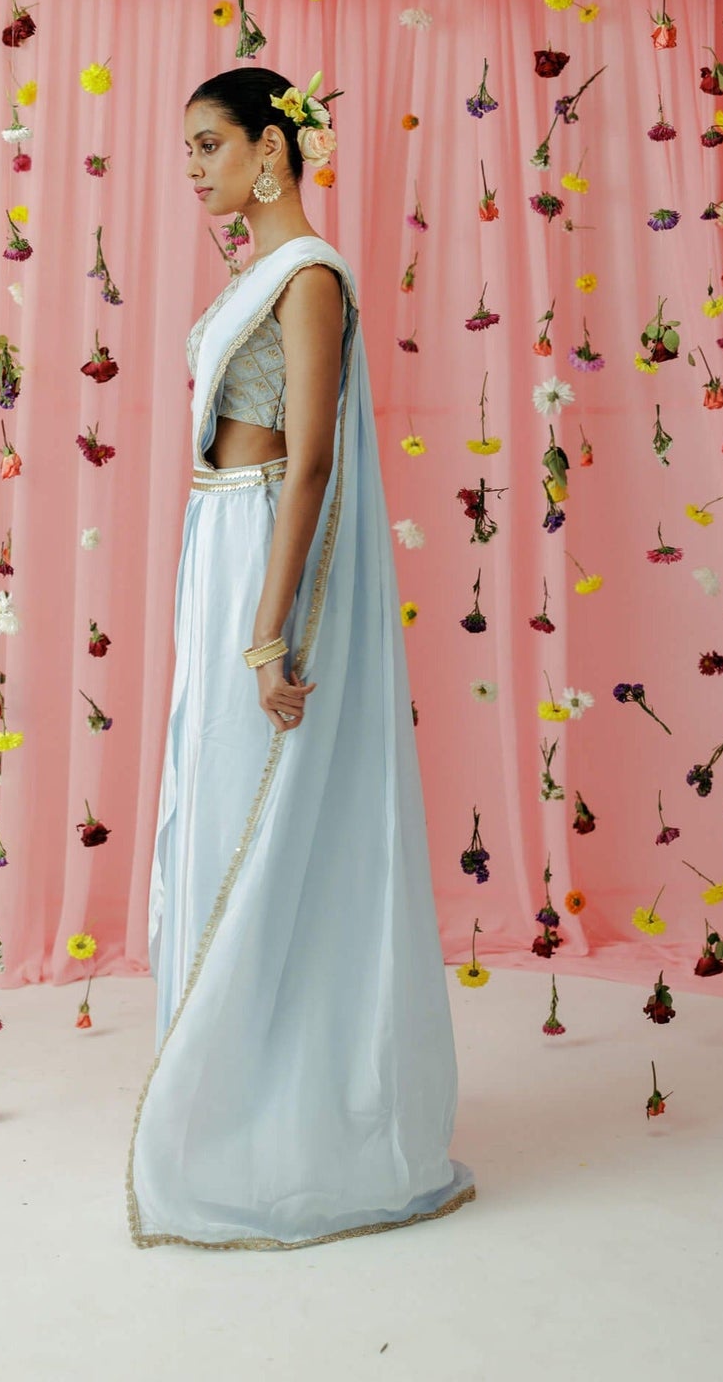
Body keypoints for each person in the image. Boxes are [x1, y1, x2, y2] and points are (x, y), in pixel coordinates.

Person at [125, 66, 475, 1251]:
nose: (194, 167)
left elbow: (313, 457)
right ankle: (228, 1103)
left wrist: (270, 630)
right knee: (215, 806)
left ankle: (288, 1118)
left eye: (209, 145)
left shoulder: (309, 276)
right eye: (188, 148)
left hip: (265, 550)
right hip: (220, 537)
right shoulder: (257, 275)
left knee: (260, 815)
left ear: (272, 150)